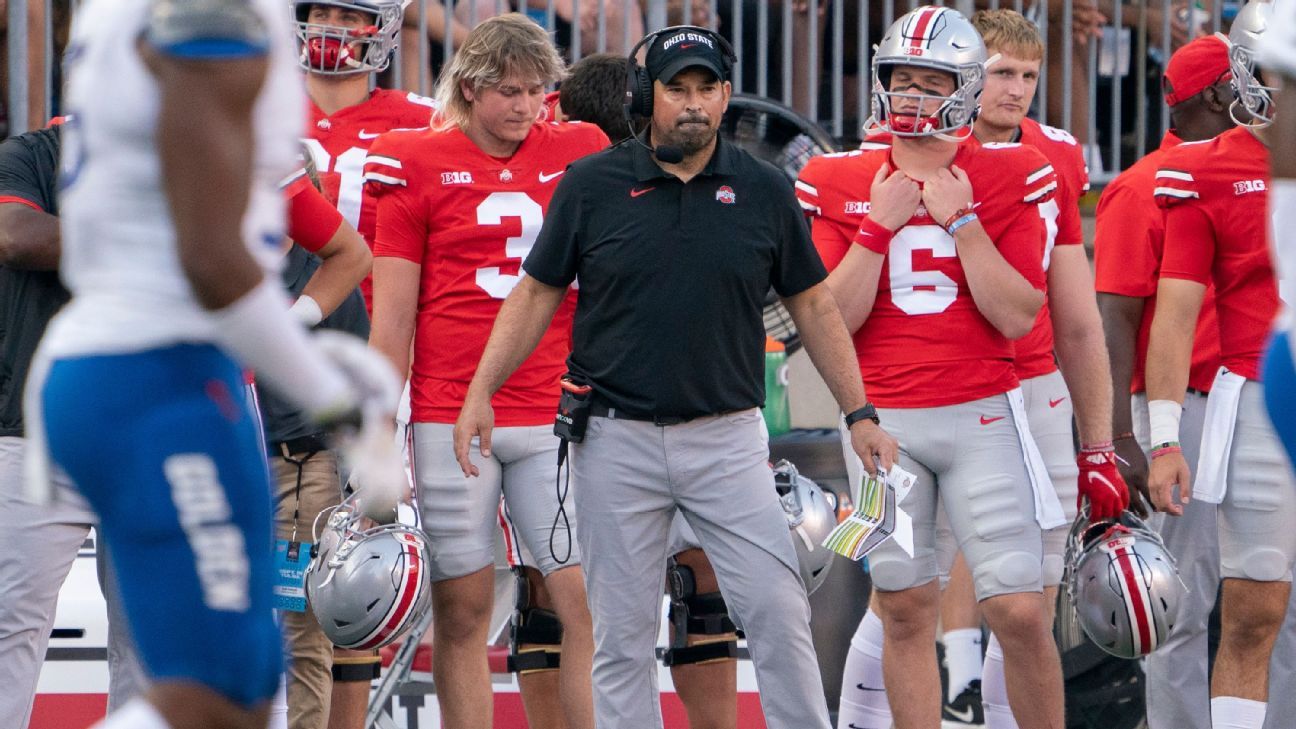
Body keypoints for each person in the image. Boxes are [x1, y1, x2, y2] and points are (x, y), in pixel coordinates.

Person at [453, 23, 896, 729]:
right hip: (614, 442)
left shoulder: (763, 189)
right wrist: (480, 390)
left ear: (726, 96)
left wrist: (859, 411)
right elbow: (535, 292)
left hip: (729, 442)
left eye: (706, 87)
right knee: (621, 637)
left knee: (779, 613)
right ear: (645, 97)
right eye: (676, 88)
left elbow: (812, 304)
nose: (692, 103)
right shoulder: (592, 185)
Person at [32, 1, 398, 728]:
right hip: (156, 370)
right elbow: (209, 256)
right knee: (215, 687)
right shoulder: (208, 9)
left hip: (159, 364)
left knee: (243, 673)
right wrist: (332, 398)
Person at [796, 7, 1065, 728]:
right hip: (883, 425)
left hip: (984, 409)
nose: (911, 95)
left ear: (967, 86)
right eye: (901, 79)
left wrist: (963, 223)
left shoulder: (1018, 172)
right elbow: (831, 319)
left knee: (1016, 602)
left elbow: (1017, 314)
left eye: (930, 80)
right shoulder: (836, 175)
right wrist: (876, 228)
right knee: (905, 603)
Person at [366, 14, 606, 729]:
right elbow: (395, 315)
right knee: (464, 608)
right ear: (469, 89)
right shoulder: (412, 157)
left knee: (580, 597)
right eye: (509, 91)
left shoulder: (579, 148)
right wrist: (381, 435)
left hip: (551, 408)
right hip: (448, 412)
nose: (526, 107)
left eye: (537, 91)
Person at [555, 50, 744, 729]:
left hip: (603, 413)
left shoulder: (588, 184)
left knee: (580, 607)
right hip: (632, 411)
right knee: (689, 589)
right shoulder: (592, 187)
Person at [1146, 3, 1296, 727]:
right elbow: (1174, 311)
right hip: (1263, 399)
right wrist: (1166, 434)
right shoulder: (1204, 170)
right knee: (1254, 607)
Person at [1093, 35, 1231, 729]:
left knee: (1279, 595)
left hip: (1254, 402)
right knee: (1180, 603)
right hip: (1180, 410)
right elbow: (1113, 319)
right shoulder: (1142, 184)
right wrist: (1121, 433)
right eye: (1242, 84)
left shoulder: (1261, 175)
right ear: (1214, 95)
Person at [0, 123, 143, 729]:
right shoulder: (33, 153)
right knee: (11, 622)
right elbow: (17, 236)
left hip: (147, 434)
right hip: (38, 430)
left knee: (145, 639)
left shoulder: (186, 161)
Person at [296, 0, 437, 315]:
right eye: (320, 14)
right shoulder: (264, 109)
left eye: (348, 17)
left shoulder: (419, 121)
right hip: (277, 316)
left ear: (381, 30)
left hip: (371, 324)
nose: (329, 26)